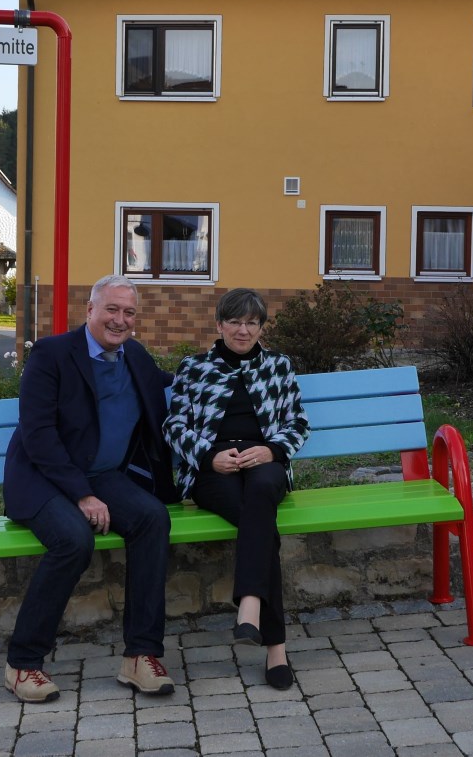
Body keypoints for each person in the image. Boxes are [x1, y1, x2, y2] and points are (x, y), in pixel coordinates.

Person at [1, 274, 177, 702]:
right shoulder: (51, 355)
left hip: (101, 477)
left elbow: (168, 385)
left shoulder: (133, 356)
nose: (120, 320)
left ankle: (140, 656)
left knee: (153, 518)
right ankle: (23, 663)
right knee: (74, 539)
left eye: (129, 312)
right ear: (91, 311)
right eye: (112, 310)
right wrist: (82, 493)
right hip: (42, 478)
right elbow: (39, 434)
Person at [163, 288, 309, 691]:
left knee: (261, 495)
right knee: (259, 522)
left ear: (261, 328)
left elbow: (298, 422)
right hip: (214, 471)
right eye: (235, 322)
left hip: (266, 463)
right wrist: (209, 456)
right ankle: (275, 646)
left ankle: (249, 607)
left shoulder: (278, 365)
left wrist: (272, 450)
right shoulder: (194, 367)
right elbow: (173, 427)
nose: (243, 330)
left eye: (252, 323)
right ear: (219, 325)